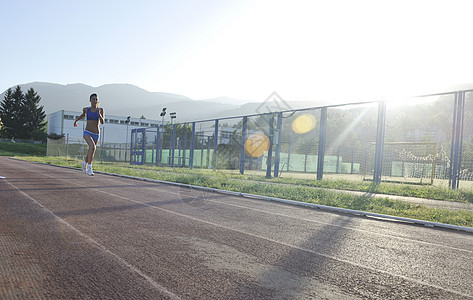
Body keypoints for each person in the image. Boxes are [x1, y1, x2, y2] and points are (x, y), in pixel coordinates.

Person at [73, 93, 105, 175]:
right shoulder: (86, 109)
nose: (95, 101)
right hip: (87, 132)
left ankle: (84, 163)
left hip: (96, 134)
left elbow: (102, 122)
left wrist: (99, 115)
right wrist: (76, 121)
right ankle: (90, 168)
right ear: (90, 100)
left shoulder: (100, 110)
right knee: (92, 147)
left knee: (92, 149)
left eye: (96, 99)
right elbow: (83, 115)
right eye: (93, 99)